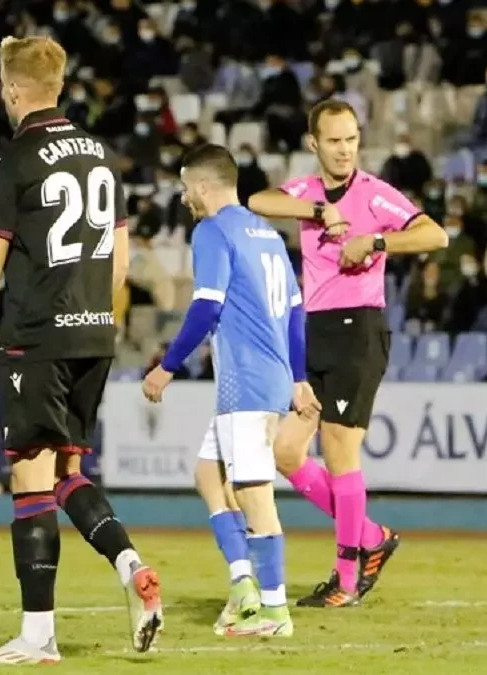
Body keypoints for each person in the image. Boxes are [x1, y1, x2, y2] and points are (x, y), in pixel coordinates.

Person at [0, 36, 162, 664]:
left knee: (30, 479)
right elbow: (120, 262)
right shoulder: (100, 157)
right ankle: (130, 567)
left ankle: (37, 637)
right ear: (60, 86)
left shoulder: (15, 162)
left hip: (39, 336)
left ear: (12, 90)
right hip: (96, 335)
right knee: (67, 473)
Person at [248, 99, 449, 606]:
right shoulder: (307, 191)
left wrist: (375, 241)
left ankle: (346, 578)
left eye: (352, 139)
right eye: (334, 141)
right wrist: (318, 211)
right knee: (287, 452)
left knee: (339, 452)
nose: (344, 150)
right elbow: (257, 201)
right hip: (315, 330)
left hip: (357, 329)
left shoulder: (375, 194)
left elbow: (435, 234)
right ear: (314, 144)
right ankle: (369, 537)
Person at [143, 144, 319, 638]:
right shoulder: (268, 235)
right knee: (207, 474)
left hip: (248, 380)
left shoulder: (212, 230)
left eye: (184, 186)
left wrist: (168, 366)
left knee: (253, 492)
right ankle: (243, 584)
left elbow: (206, 306)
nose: (183, 197)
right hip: (271, 375)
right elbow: (297, 313)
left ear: (202, 185)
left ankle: (273, 609)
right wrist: (298, 376)